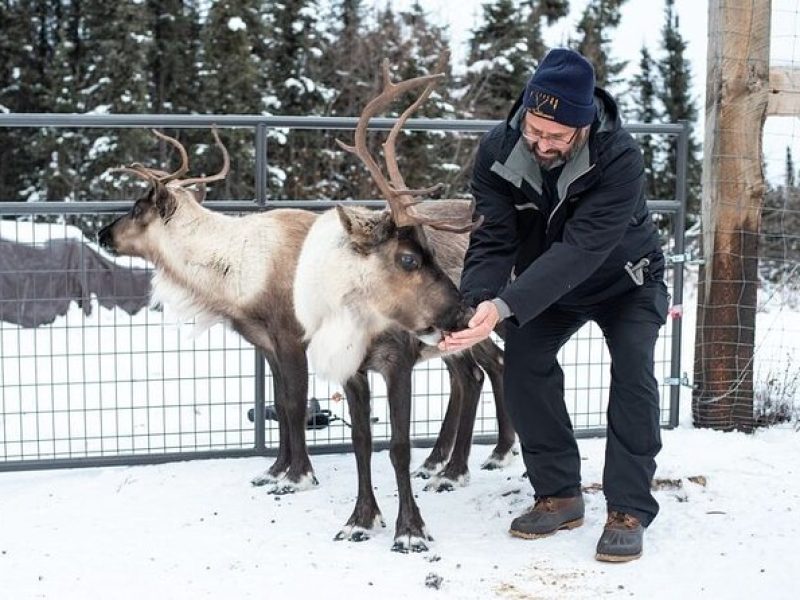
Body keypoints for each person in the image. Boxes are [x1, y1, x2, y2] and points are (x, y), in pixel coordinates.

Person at [439, 48, 669, 563]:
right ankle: (560, 493)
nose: (541, 143)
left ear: (582, 127)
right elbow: (494, 239)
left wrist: (506, 305)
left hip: (627, 282)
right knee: (522, 360)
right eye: (534, 129)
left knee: (633, 371)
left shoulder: (620, 158)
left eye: (555, 136)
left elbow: (582, 249)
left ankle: (628, 508)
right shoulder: (499, 149)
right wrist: (477, 302)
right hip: (549, 288)